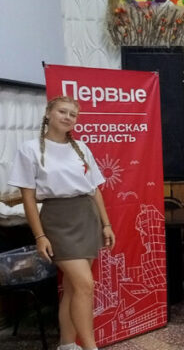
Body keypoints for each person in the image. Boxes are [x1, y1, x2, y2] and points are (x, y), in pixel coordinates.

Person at [8, 96, 116, 350]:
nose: (68, 117)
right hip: (57, 221)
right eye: (62, 111)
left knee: (73, 288)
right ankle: (90, 347)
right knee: (85, 285)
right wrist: (40, 236)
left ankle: (67, 345)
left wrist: (106, 224)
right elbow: (28, 198)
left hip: (86, 217)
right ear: (48, 113)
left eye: (73, 114)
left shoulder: (82, 148)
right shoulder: (29, 149)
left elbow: (94, 190)